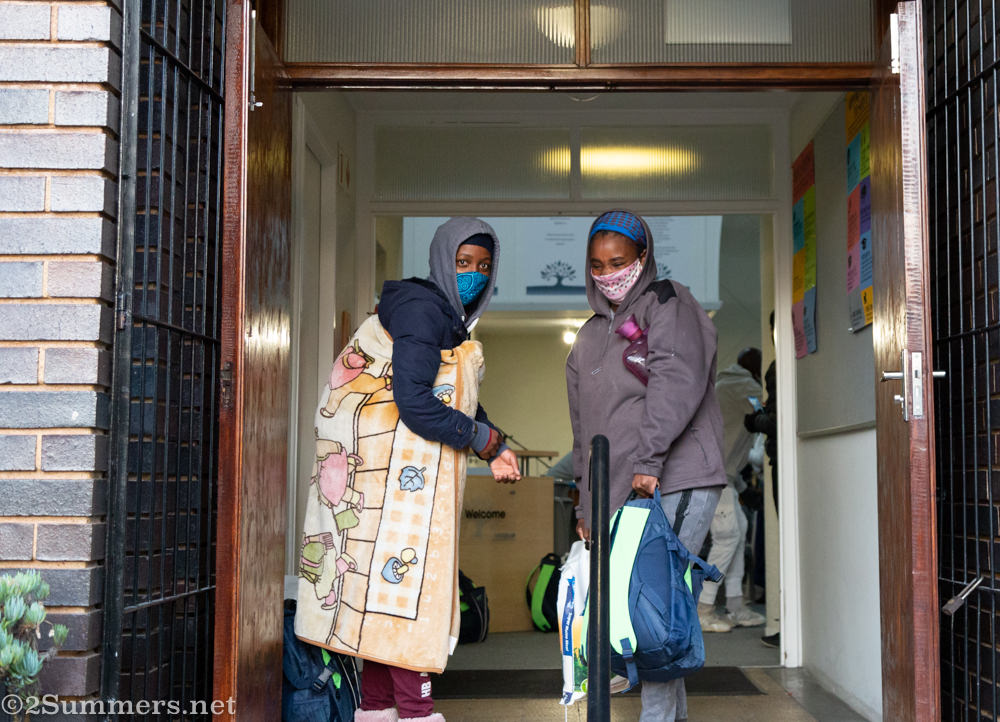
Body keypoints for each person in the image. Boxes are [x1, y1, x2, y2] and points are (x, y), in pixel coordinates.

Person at [314, 217, 520, 722]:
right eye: (463, 263)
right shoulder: (425, 312)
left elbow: (454, 397)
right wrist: (484, 440)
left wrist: (493, 444)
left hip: (385, 474)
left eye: (483, 267)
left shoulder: (441, 315)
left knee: (386, 591)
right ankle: (414, 710)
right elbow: (417, 404)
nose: (473, 275)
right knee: (411, 590)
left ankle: (380, 707)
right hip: (390, 475)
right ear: (440, 261)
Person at [566, 210, 725, 722]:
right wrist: (585, 502)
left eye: (619, 262)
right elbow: (582, 429)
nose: (608, 272)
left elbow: (675, 382)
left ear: (642, 258)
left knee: (653, 611)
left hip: (672, 479)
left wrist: (650, 459)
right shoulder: (589, 336)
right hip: (623, 489)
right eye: (597, 264)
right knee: (651, 610)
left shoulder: (667, 303)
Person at [697, 348, 767, 633]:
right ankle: (704, 608)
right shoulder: (745, 387)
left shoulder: (725, 384)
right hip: (712, 475)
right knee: (727, 537)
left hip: (719, 474)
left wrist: (739, 484)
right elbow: (764, 414)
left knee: (738, 529)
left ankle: (736, 605)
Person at [744, 312, 779, 649]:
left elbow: (778, 419)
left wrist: (756, 420)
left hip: (781, 458)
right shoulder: (788, 362)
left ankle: (790, 624)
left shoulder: (779, 366)